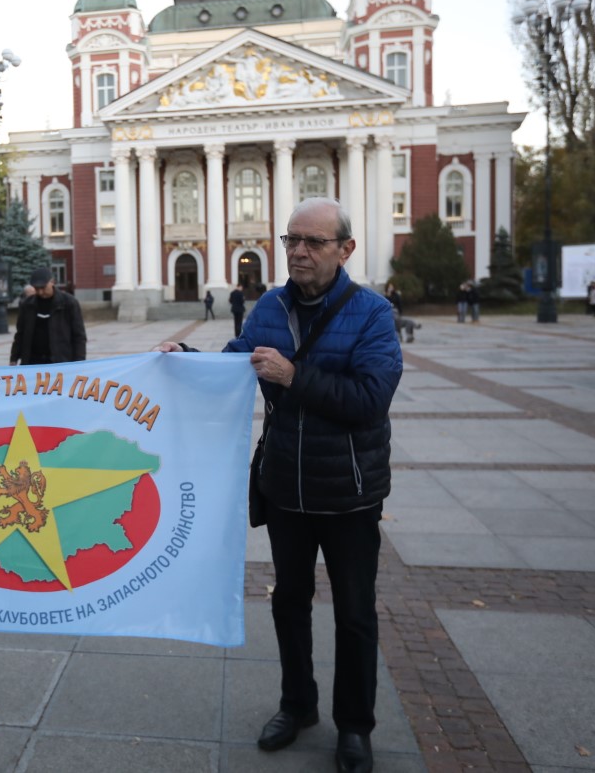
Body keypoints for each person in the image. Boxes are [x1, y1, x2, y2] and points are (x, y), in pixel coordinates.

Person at [158, 198, 401, 773]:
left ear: (345, 250)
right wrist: (184, 358)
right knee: (289, 603)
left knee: (354, 613)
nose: (297, 250)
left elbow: (371, 401)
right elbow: (235, 366)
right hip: (285, 488)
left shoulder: (371, 314)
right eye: (292, 239)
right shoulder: (269, 307)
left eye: (313, 242)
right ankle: (298, 707)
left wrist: (296, 377)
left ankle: (355, 727)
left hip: (350, 491)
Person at [9, 267, 87, 365]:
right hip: (32, 362)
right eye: (37, 289)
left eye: (43, 288)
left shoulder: (69, 303)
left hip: (61, 361)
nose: (40, 292)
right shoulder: (27, 305)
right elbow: (20, 334)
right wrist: (13, 358)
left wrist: (80, 362)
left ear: (52, 282)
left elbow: (79, 336)